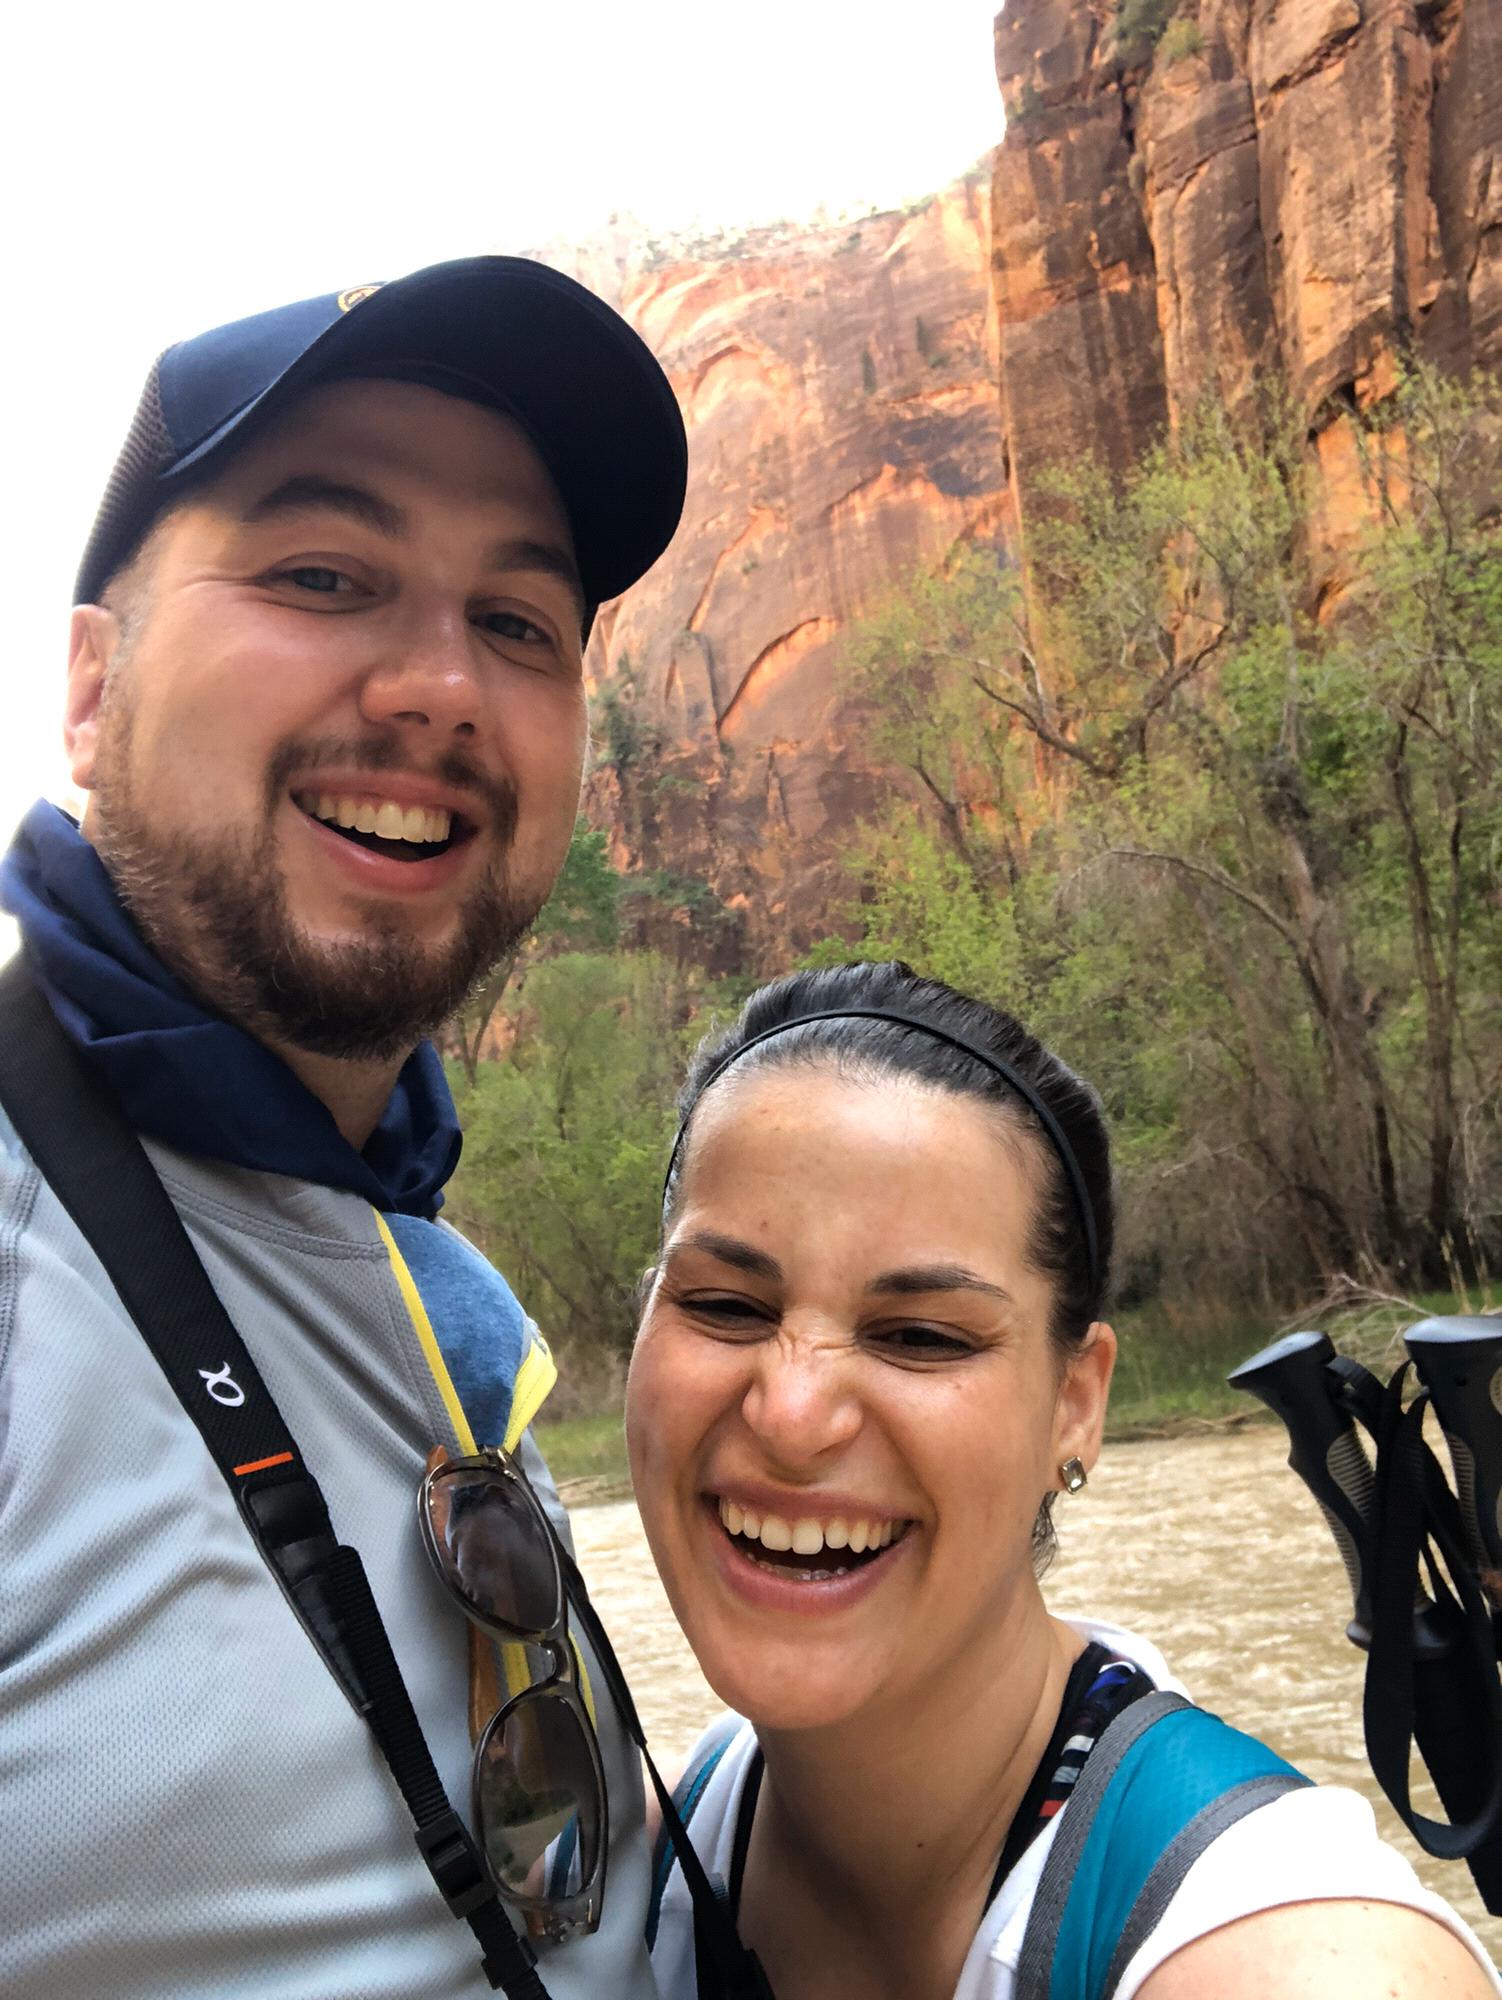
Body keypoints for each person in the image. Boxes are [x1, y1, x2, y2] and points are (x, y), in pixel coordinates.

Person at [0, 259, 686, 1999]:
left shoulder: (405, 1250)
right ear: (90, 689)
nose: (441, 688)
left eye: (519, 624)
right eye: (323, 574)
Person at [627, 960, 1501, 2000]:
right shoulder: (656, 1842)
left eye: (918, 1333)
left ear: (1073, 1403)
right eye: (724, 1304)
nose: (791, 1411)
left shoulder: (1291, 1951)